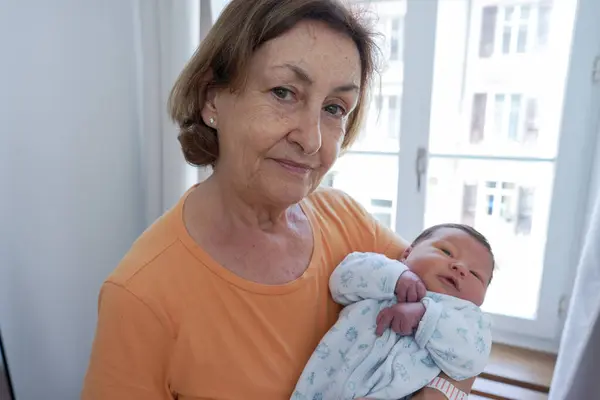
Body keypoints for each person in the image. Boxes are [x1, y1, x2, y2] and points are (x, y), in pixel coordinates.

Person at [81, 0, 477, 399]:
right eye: (284, 92)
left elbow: (464, 318)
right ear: (212, 98)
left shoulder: (347, 221)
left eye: (334, 108)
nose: (312, 139)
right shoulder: (140, 296)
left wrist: (442, 393)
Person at [292, 224, 494, 400]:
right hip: (320, 389)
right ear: (407, 253)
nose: (460, 268)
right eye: (446, 252)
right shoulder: (384, 271)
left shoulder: (469, 320)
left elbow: (472, 360)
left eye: (475, 274)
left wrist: (425, 316)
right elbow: (341, 280)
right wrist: (396, 277)